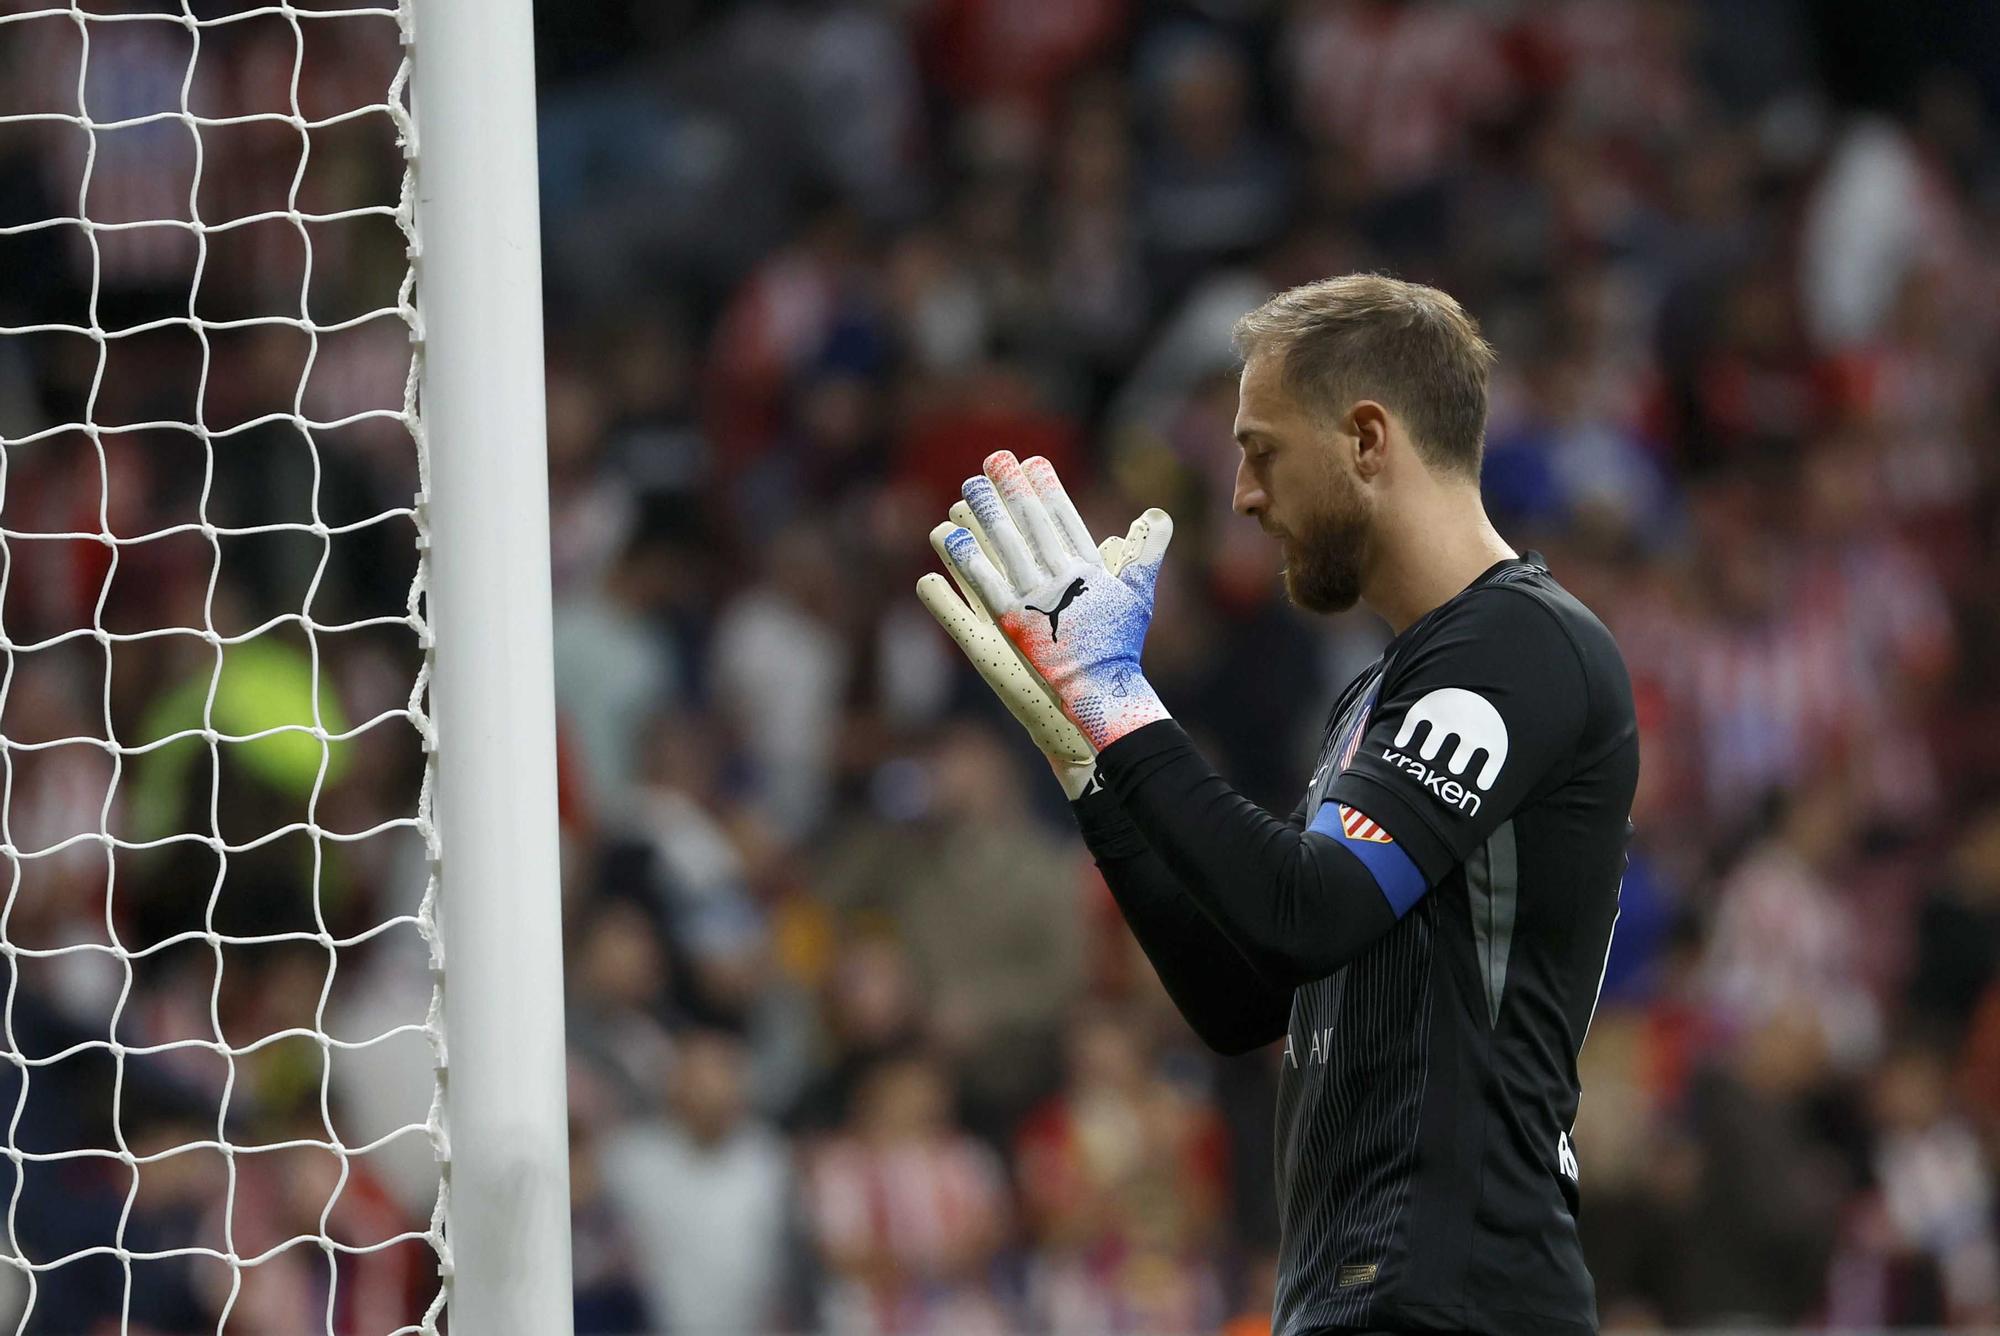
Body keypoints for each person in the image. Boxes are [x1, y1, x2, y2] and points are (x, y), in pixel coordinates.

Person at [919, 273, 1638, 1336]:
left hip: (1460, 1293)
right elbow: (1243, 996)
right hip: (1356, 1294)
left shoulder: (1518, 646)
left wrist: (1117, 700)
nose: (1244, 495)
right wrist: (1091, 765)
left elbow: (1304, 909)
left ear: (1364, 438)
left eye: (1259, 449)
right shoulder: (1376, 697)